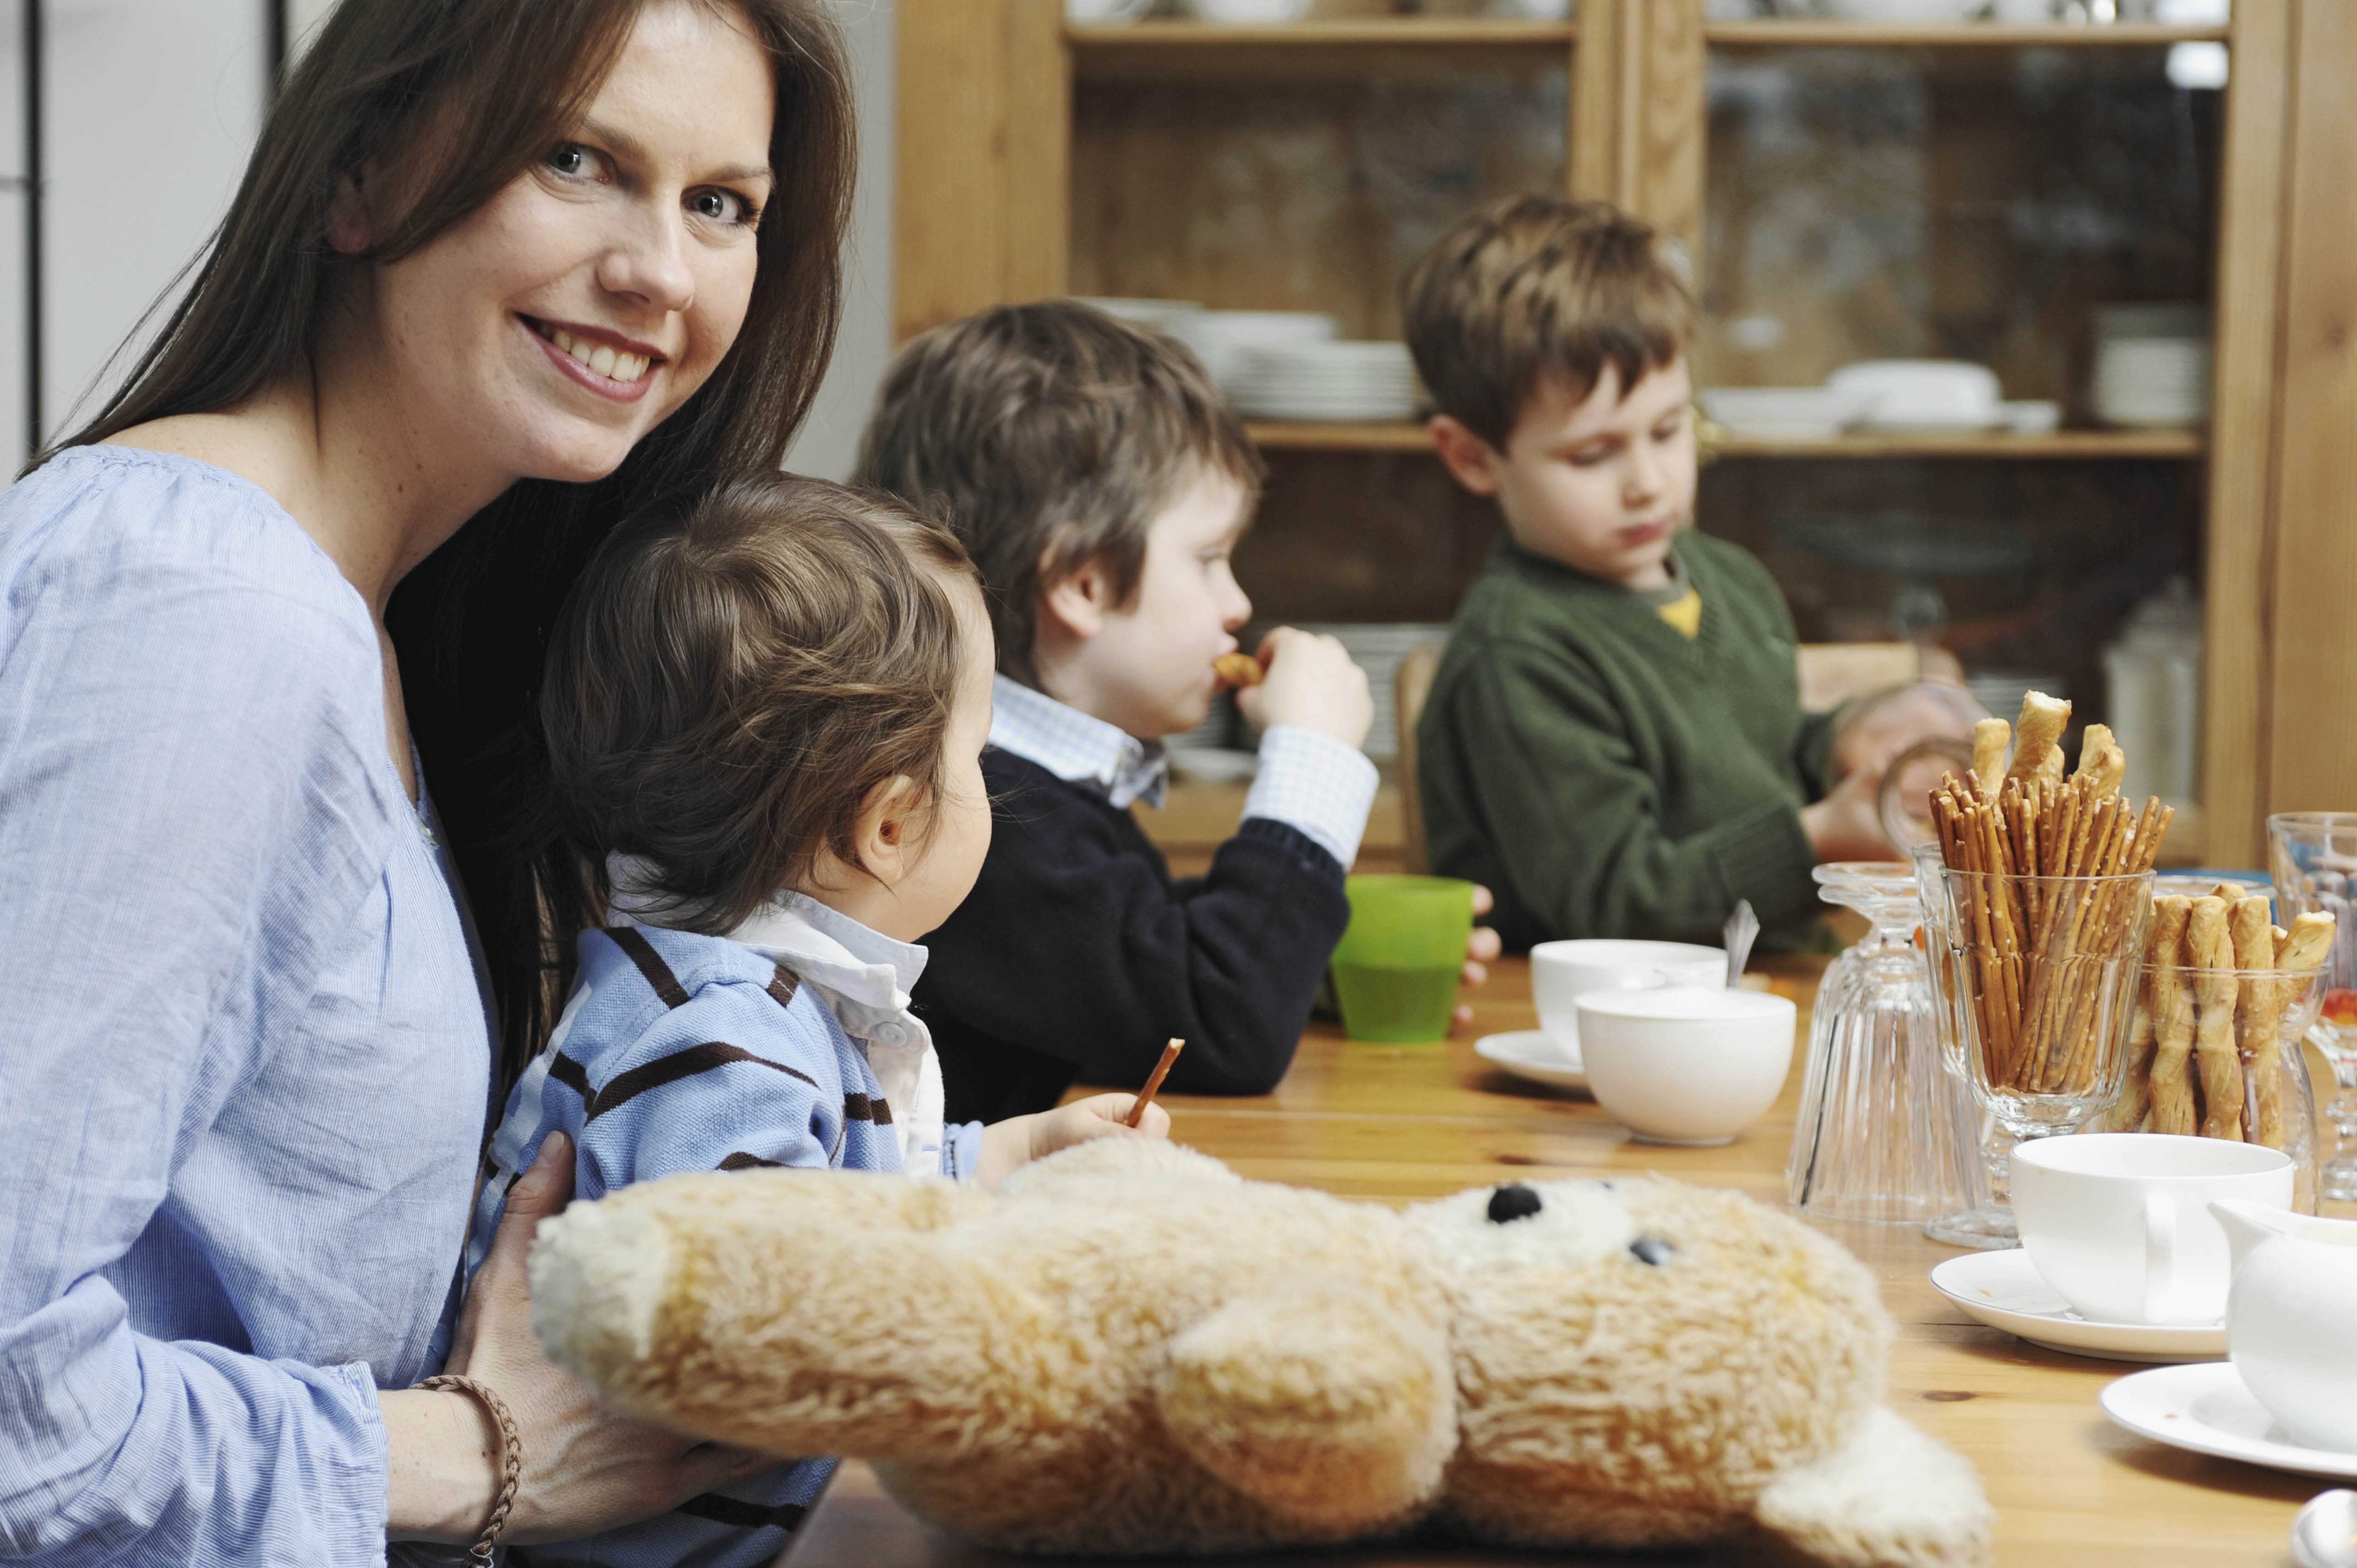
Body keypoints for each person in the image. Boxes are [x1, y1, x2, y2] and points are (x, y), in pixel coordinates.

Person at [0, 0, 862, 1559]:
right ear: (361, 179)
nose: (659, 271)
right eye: (576, 158)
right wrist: (471, 1449)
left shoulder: (368, 616)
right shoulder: (208, 614)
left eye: (718, 203)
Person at [470, 473, 1170, 1568]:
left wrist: (1023, 1154)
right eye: (977, 758)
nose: (985, 786)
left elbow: (838, 1194)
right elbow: (748, 1332)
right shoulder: (722, 1044)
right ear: (889, 826)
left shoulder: (723, 998)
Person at [856, 302, 1497, 1124]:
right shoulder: (977, 815)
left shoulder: (1030, 788)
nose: (1238, 603)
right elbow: (1219, 1026)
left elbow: (1139, 967)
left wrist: (1315, 967)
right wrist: (1313, 763)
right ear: (1083, 583)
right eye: (1209, 560)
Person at [1405, 196, 1969, 950]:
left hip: (1759, 1000)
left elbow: (1740, 765)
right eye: (1592, 454)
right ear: (1473, 456)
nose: (1647, 482)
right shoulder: (1519, 654)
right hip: (1606, 1032)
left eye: (1669, 430)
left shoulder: (1727, 582)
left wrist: (1841, 742)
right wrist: (1820, 837)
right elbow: (1614, 900)